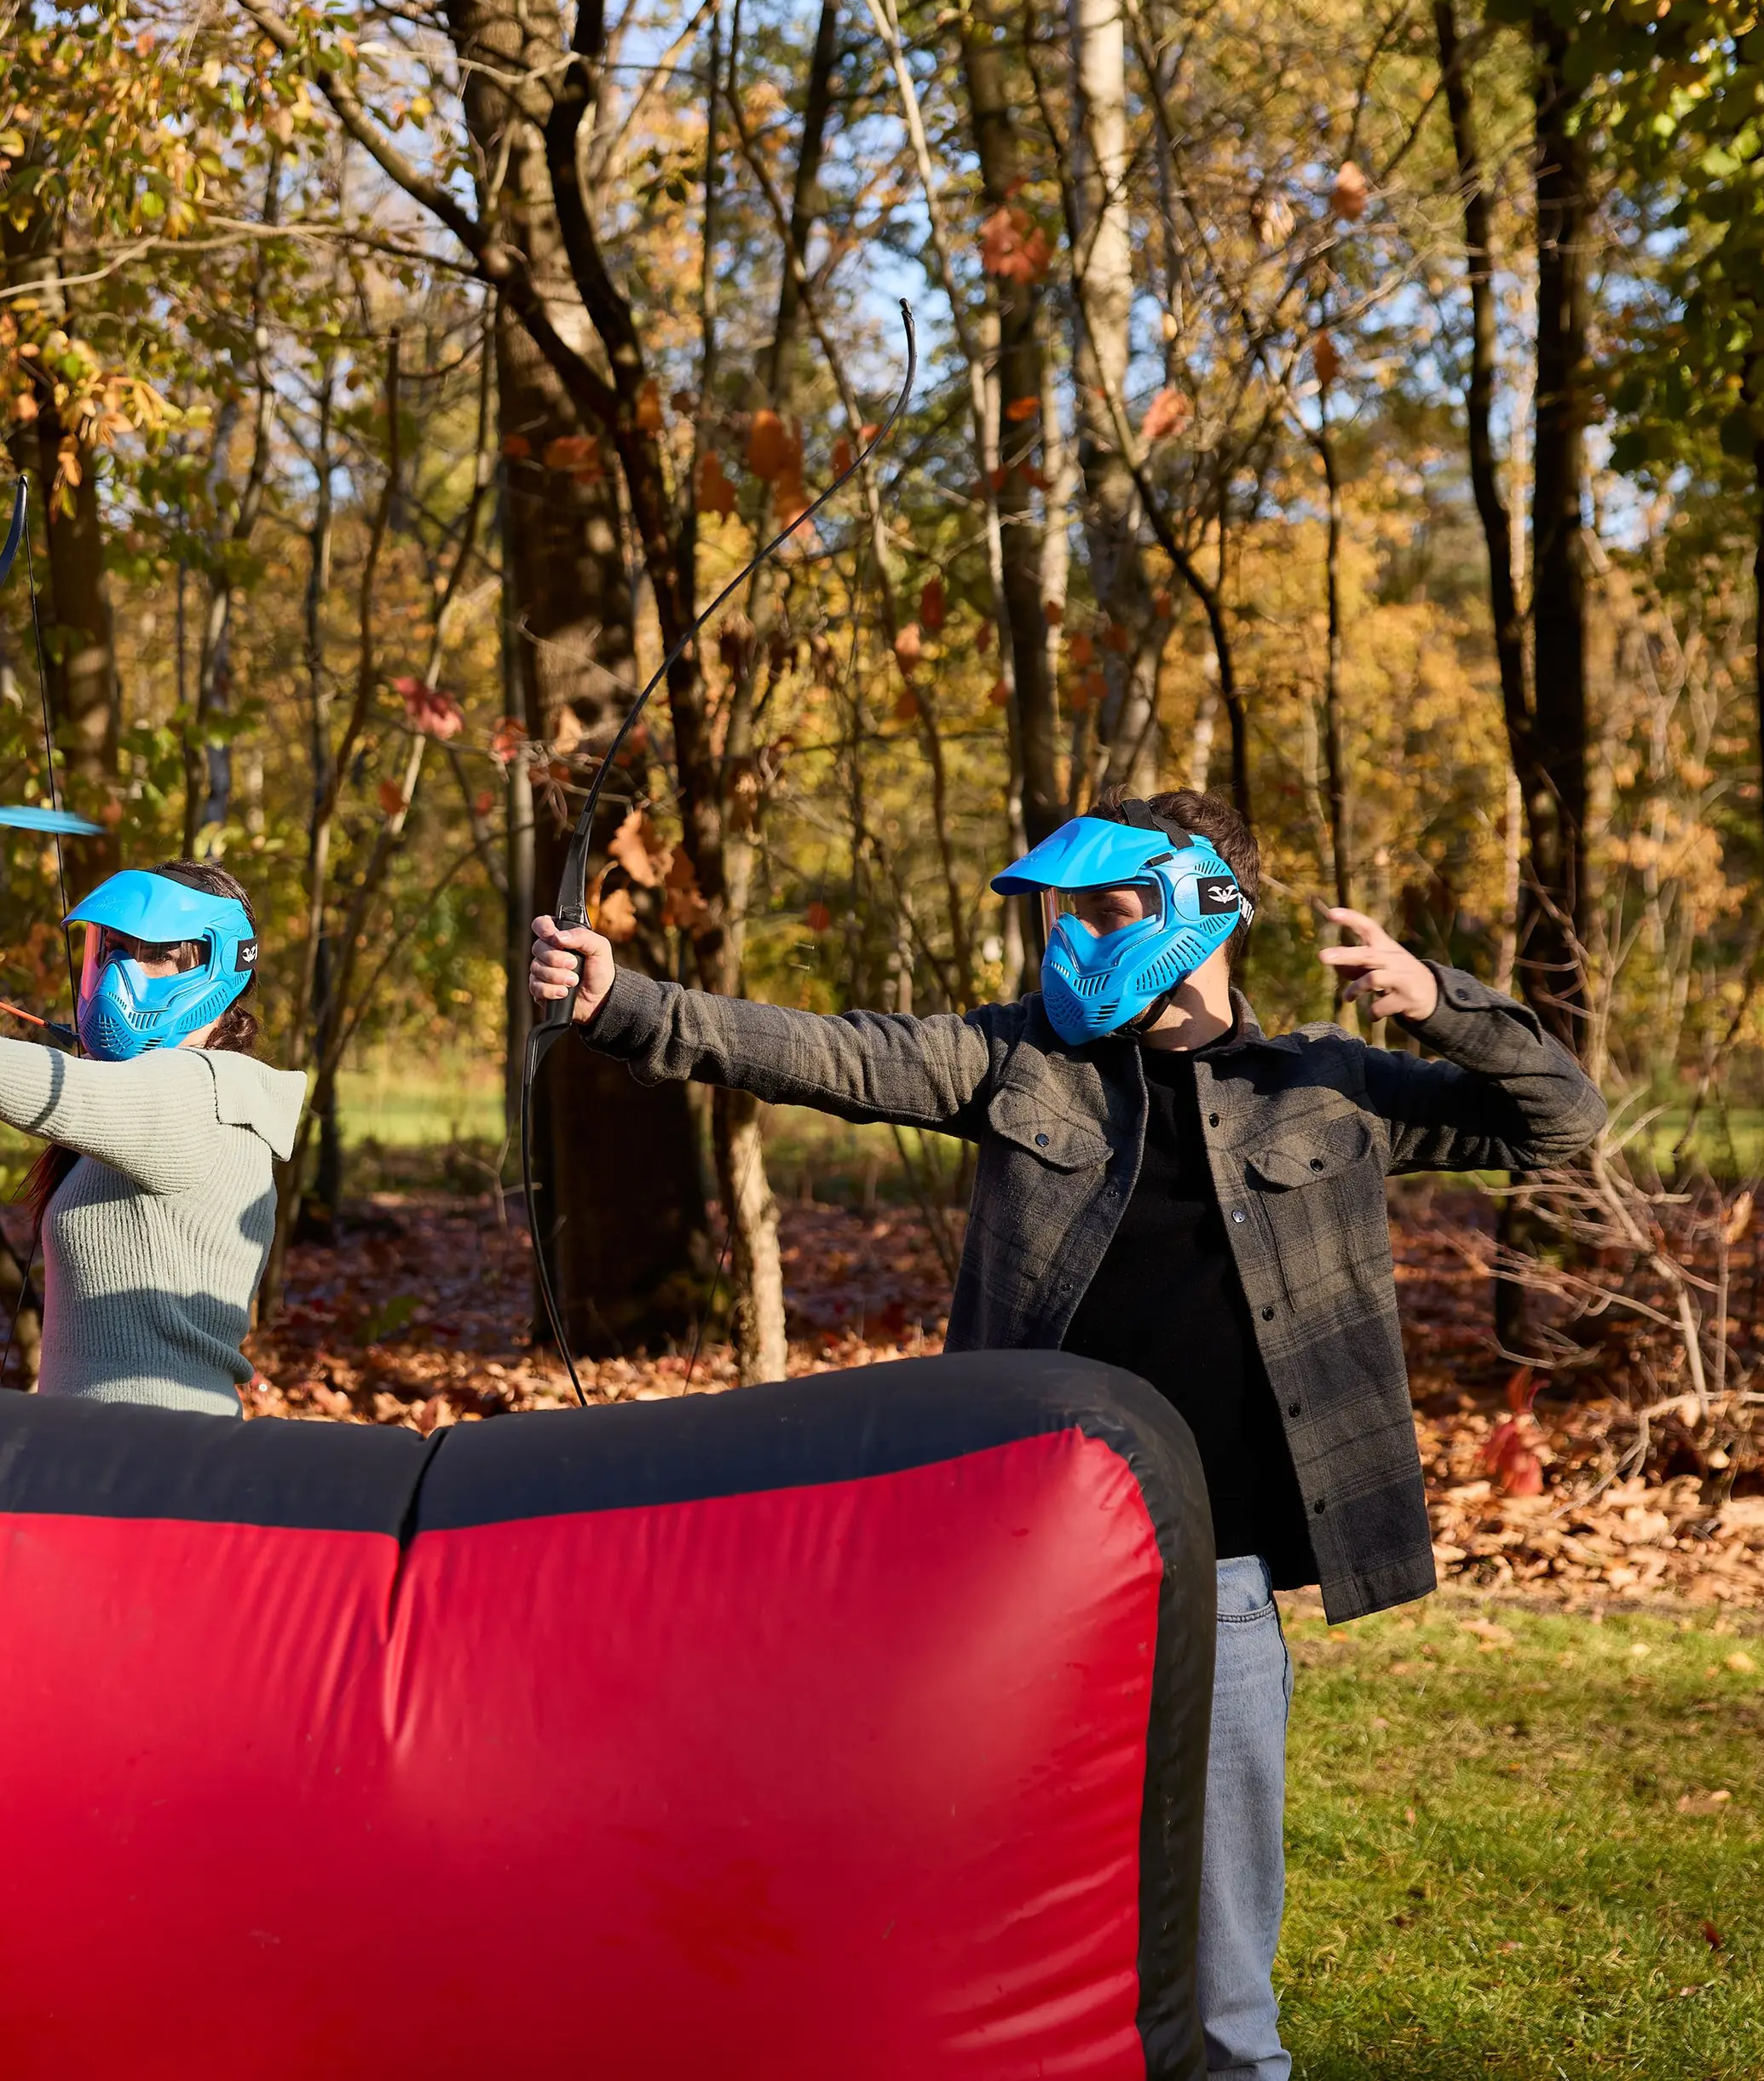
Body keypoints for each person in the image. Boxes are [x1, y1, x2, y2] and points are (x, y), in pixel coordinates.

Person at [525, 789, 1602, 2081]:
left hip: (1221, 1575)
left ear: (1208, 906)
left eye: (1102, 910)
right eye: (1060, 914)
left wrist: (1440, 1000)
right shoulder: (1020, 1060)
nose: (1072, 941)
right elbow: (826, 1050)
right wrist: (621, 1002)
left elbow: (1560, 1119)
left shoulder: (1326, 1081)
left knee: (1218, 1957)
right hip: (1021, 1565)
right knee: (990, 1893)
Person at [0, 860, 306, 1418]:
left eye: (157, 953)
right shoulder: (147, 1101)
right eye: (114, 948)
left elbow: (73, 1093)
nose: (125, 970)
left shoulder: (209, 1094)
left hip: (160, 1460)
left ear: (216, 965)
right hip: (95, 1452)